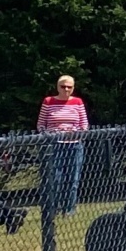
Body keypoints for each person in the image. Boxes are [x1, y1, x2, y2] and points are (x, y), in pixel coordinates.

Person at [37, 75, 88, 214]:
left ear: (73, 88)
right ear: (57, 87)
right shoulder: (49, 101)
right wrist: (49, 136)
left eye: (69, 87)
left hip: (74, 145)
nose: (66, 89)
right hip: (54, 145)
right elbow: (41, 125)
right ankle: (53, 208)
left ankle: (69, 209)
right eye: (63, 86)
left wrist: (77, 134)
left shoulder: (78, 102)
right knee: (55, 178)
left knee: (73, 179)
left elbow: (84, 124)